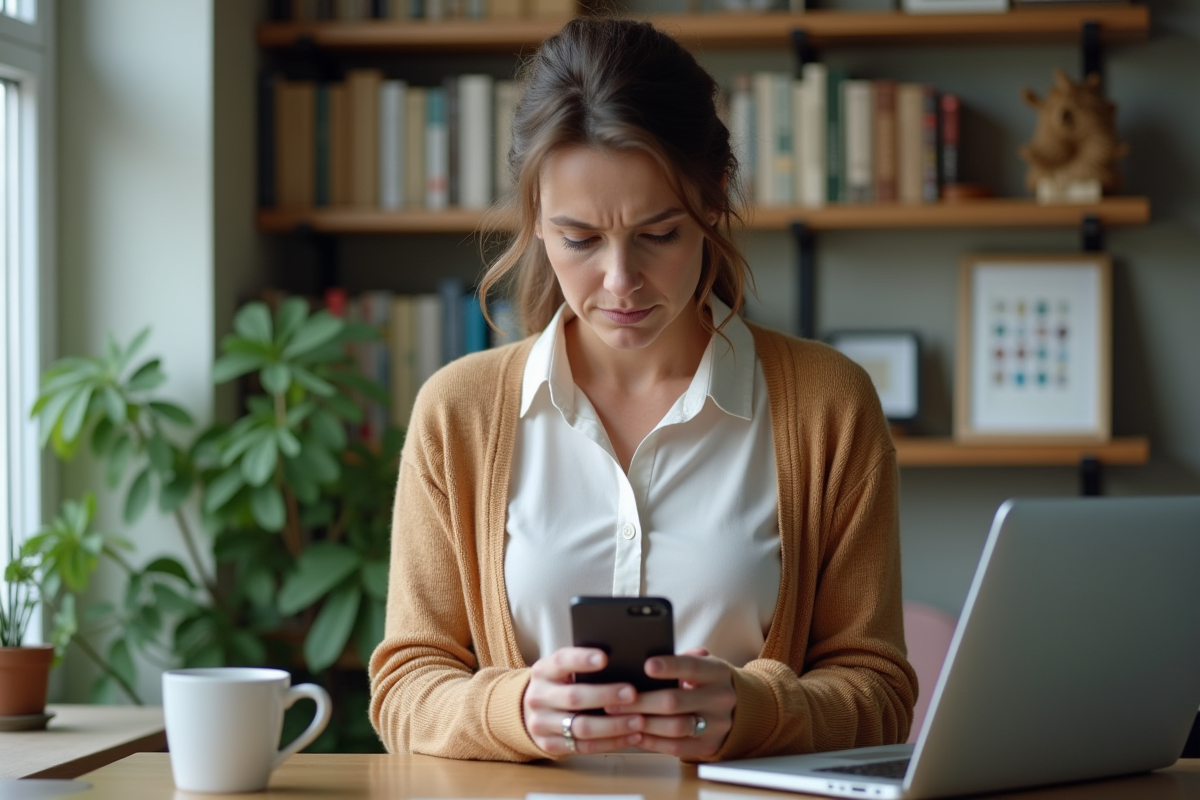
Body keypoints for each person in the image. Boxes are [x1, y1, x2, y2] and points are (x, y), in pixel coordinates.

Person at [368, 17, 916, 762]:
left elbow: (879, 693)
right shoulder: (457, 414)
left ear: (714, 199)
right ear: (534, 220)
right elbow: (404, 689)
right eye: (580, 239)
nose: (621, 282)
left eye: (659, 234)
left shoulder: (829, 407)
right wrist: (516, 709)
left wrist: (752, 711)